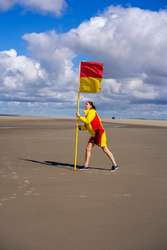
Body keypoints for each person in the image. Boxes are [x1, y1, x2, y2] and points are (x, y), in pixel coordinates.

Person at [76, 101, 119, 171]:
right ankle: (86, 166)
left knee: (105, 149)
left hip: (99, 133)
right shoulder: (87, 114)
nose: (85, 105)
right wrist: (79, 128)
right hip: (93, 135)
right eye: (85, 104)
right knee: (88, 149)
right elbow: (87, 126)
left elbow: (87, 121)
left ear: (91, 106)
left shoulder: (92, 112)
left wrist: (79, 117)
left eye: (87, 104)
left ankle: (115, 165)